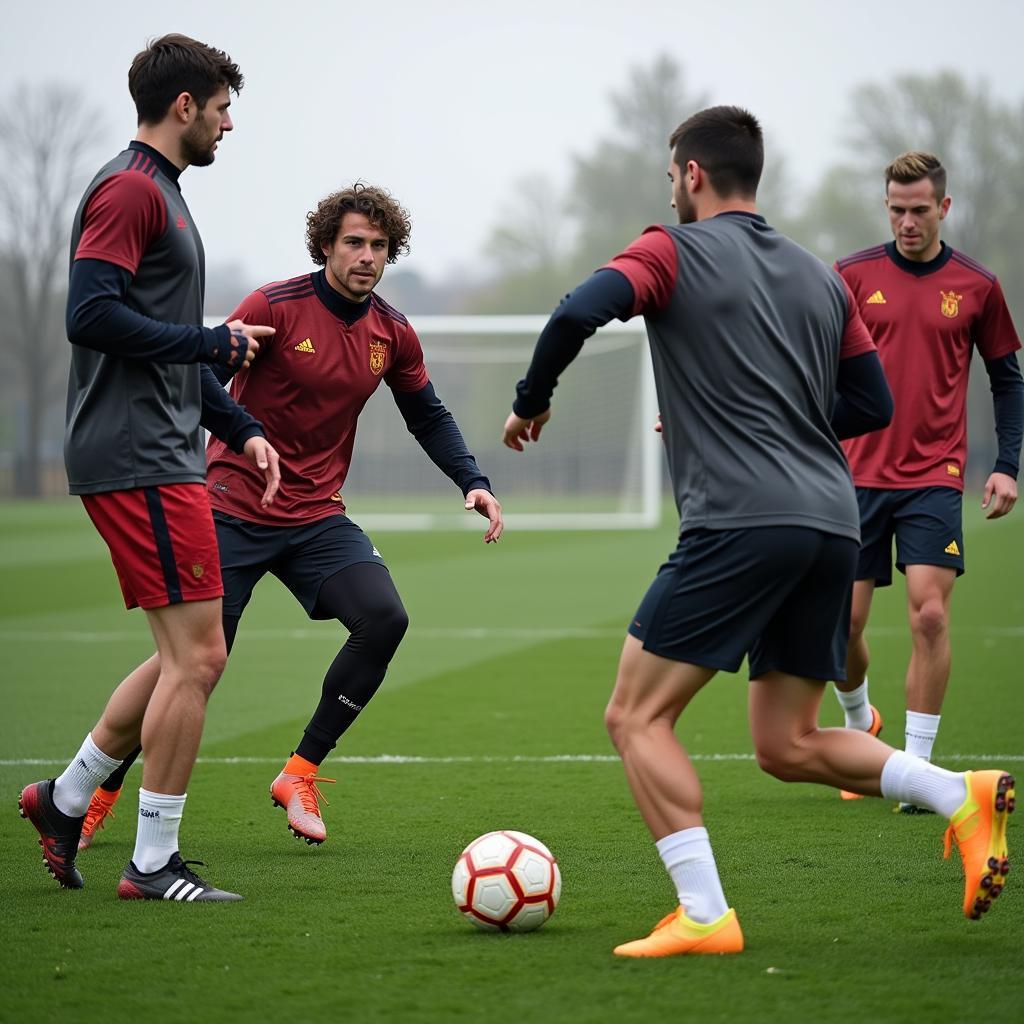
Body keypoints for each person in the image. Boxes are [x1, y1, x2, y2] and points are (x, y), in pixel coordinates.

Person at [502, 106, 1014, 956]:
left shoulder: (669, 249)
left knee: (635, 716)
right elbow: (871, 405)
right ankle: (959, 795)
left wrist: (530, 401)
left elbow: (574, 312)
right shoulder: (821, 276)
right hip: (829, 520)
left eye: (673, 175)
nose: (671, 189)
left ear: (693, 174)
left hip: (742, 520)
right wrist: (774, 412)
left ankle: (704, 914)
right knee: (788, 742)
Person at [78, 183, 503, 849]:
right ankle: (94, 796)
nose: (367, 256)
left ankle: (299, 773)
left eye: (379, 246)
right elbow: (197, 377)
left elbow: (427, 414)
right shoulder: (274, 306)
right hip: (229, 509)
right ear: (327, 245)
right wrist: (239, 438)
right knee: (188, 667)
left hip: (316, 519)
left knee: (385, 617)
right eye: (354, 242)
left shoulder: (391, 332)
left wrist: (472, 480)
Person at [19, 34, 280, 902]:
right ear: (183, 108)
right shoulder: (132, 189)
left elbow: (164, 342)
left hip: (158, 448)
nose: (227, 123)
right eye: (220, 108)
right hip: (137, 457)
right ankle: (153, 861)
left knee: (183, 655)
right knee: (200, 658)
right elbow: (90, 315)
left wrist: (238, 427)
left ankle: (63, 801)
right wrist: (212, 341)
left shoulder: (160, 192)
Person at [831, 152, 1023, 810]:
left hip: (934, 476)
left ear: (944, 207)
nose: (907, 221)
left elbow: (1007, 379)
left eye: (919, 209)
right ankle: (861, 725)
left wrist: (1007, 464)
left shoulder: (977, 285)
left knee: (931, 615)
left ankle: (916, 771)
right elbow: (799, 357)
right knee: (843, 626)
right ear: (886, 207)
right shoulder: (851, 276)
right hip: (853, 474)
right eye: (896, 209)